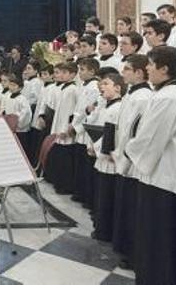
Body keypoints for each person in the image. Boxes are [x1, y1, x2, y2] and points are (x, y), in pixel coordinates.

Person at [125, 46, 176, 285]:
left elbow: (151, 138)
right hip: (163, 173)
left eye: (150, 64)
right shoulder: (169, 93)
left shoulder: (169, 97)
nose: (147, 69)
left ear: (164, 68)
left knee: (159, 237)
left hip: (165, 177)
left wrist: (127, 150)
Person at [111, 54, 152, 268]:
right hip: (123, 157)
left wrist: (125, 156)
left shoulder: (144, 96)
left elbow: (136, 133)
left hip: (132, 162)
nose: (122, 73)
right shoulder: (131, 95)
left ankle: (132, 254)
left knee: (133, 210)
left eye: (126, 69)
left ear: (138, 72)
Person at [90, 72, 125, 242]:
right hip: (101, 155)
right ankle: (100, 227)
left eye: (106, 83)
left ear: (118, 88)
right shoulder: (106, 106)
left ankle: (105, 231)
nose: (101, 86)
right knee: (100, 194)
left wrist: (96, 147)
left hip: (110, 157)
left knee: (107, 197)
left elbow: (112, 134)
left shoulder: (119, 108)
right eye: (101, 83)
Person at [70, 57, 101, 206]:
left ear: (92, 71)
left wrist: (76, 126)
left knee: (86, 167)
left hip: (85, 130)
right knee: (81, 166)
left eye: (82, 70)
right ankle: (80, 193)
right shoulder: (85, 86)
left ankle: (86, 196)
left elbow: (87, 111)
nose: (79, 73)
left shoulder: (94, 87)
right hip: (79, 127)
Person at [45, 61, 79, 194]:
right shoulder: (63, 88)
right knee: (59, 157)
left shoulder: (74, 90)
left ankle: (65, 186)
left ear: (73, 74)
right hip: (58, 127)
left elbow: (74, 111)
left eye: (65, 73)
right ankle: (58, 183)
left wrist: (67, 129)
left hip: (66, 130)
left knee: (66, 160)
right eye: (62, 72)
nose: (62, 75)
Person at [2, 74, 33, 160]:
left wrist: (17, 122)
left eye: (14, 85)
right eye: (10, 84)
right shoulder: (7, 96)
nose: (11, 87)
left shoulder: (22, 99)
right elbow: (5, 109)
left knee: (21, 150)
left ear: (20, 88)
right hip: (10, 129)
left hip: (20, 130)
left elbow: (26, 113)